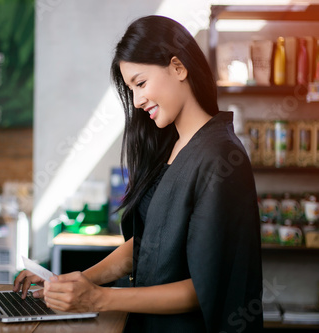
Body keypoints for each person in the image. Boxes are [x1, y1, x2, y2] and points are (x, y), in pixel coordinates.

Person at [14, 15, 263, 332]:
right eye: (131, 89)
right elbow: (147, 245)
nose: (137, 100)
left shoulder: (220, 159)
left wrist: (99, 298)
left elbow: (204, 289)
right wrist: (69, 282)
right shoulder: (172, 148)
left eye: (141, 83)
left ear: (178, 67)